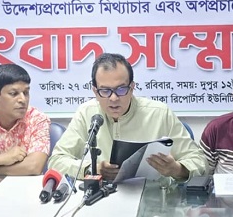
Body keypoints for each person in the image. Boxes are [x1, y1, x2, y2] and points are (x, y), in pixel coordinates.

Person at [48, 53, 206, 181]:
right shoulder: (87, 113)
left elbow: (200, 161)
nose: (113, 98)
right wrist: (92, 169)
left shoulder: (159, 113)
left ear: (132, 88)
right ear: (95, 91)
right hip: (102, 200)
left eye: (121, 89)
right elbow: (56, 161)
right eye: (105, 91)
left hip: (153, 199)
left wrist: (177, 169)